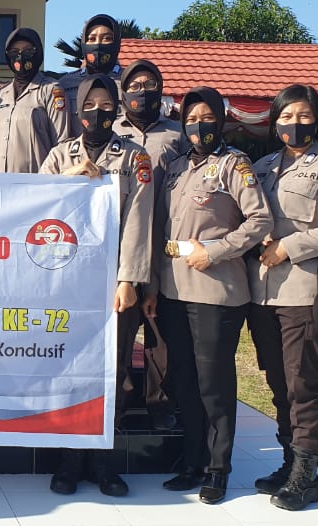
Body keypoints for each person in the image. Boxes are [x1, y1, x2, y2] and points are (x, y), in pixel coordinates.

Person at [141, 86, 273, 504]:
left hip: (216, 291)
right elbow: (161, 229)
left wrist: (215, 251)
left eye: (208, 118)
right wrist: (153, 286)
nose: (199, 126)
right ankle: (193, 460)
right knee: (184, 380)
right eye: (192, 119)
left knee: (213, 384)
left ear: (222, 120)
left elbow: (260, 220)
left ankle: (219, 468)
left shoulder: (234, 165)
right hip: (173, 289)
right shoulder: (176, 167)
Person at [246, 84, 318, 511]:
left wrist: (288, 247)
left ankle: (306, 478)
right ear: (274, 122)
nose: (294, 124)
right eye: (286, 116)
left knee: (305, 385)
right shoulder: (263, 166)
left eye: (303, 116)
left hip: (304, 292)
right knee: (279, 384)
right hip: (262, 294)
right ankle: (288, 463)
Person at [40, 76, 153, 498]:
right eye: (91, 105)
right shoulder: (59, 154)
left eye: (107, 106)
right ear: (79, 109)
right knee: (71, 369)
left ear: (117, 109)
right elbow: (36, 202)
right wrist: (71, 177)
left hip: (114, 283)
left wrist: (129, 279)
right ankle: (70, 458)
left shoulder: (135, 157)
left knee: (114, 371)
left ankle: (104, 460)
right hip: (69, 283)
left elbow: (140, 221)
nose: (98, 113)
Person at [114, 59, 187, 428]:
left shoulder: (177, 133)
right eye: (135, 85)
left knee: (160, 336)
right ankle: (120, 405)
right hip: (123, 244)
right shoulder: (112, 131)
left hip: (165, 241)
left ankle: (161, 409)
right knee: (121, 333)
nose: (142, 92)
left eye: (150, 85)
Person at [0, 27, 72, 173]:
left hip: (36, 182)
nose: (20, 56)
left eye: (28, 50)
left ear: (38, 53)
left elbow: (62, 143)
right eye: (14, 51)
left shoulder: (52, 90)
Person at [57, 14, 124, 122]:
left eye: (107, 38)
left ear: (116, 43)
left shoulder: (131, 83)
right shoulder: (65, 84)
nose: (98, 44)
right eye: (92, 39)